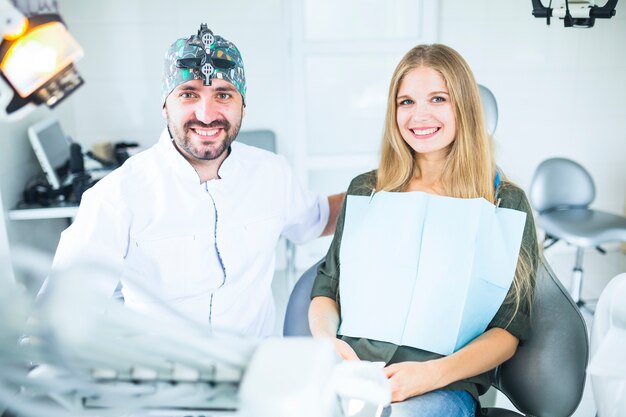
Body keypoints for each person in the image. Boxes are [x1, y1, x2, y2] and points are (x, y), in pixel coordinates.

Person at [46, 23, 344, 337]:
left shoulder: (271, 174)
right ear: (165, 105)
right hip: (162, 377)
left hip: (254, 369)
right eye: (189, 94)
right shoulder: (117, 196)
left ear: (243, 104)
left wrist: (392, 184)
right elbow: (62, 308)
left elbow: (319, 217)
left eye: (223, 94)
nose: (206, 113)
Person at [308, 44, 539, 416]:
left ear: (463, 106)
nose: (420, 115)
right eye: (406, 102)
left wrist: (430, 375)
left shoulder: (502, 203)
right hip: (354, 376)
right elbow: (325, 288)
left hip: (440, 388)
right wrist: (326, 341)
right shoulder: (367, 191)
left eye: (437, 98)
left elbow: (508, 329)